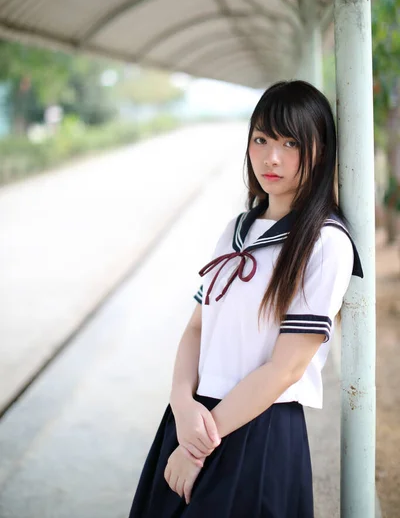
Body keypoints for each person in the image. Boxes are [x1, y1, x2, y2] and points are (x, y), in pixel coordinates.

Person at [127, 80, 363, 518]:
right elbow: (197, 327)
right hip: (193, 419)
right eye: (261, 139)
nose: (271, 157)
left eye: (291, 142)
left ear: (321, 150)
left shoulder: (325, 243)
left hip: (258, 430)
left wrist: (196, 449)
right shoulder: (236, 228)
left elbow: (285, 368)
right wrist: (181, 403)